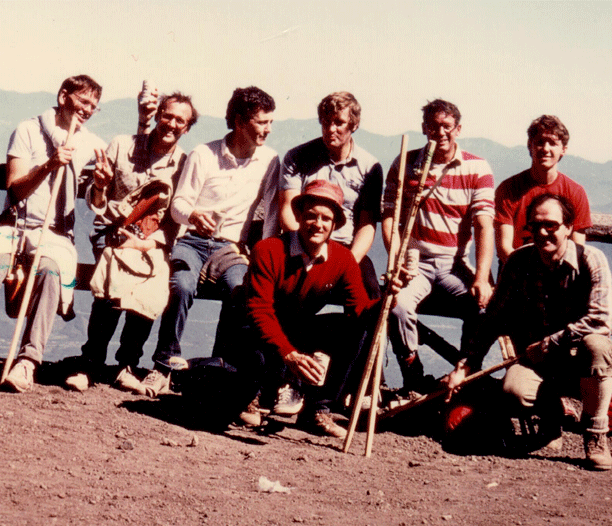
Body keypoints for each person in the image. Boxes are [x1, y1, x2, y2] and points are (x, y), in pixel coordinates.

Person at [0, 75, 106, 392]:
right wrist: (48, 166)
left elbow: (99, 200)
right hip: (15, 225)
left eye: (93, 106)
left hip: (55, 234)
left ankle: (28, 362)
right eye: (83, 101)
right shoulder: (28, 130)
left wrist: (100, 184)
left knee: (51, 272)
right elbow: (15, 189)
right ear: (63, 96)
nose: (87, 110)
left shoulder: (92, 143)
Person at [445, 194, 612, 471]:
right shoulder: (518, 262)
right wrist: (465, 365)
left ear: (568, 227)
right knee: (513, 391)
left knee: (598, 345)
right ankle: (552, 420)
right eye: (535, 225)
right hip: (538, 363)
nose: (542, 232)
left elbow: (600, 320)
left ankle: (596, 435)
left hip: (580, 362)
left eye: (551, 225)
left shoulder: (591, 260)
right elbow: (492, 319)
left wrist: (550, 343)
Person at [225, 180, 394, 438]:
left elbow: (360, 311)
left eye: (326, 219)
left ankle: (317, 409)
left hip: (295, 328)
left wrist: (389, 297)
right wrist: (290, 355)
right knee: (254, 350)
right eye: (311, 216)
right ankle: (250, 397)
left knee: (356, 330)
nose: (318, 224)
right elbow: (259, 310)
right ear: (299, 217)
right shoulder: (269, 250)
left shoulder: (342, 258)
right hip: (253, 329)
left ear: (335, 225)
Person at [144, 86, 280, 397]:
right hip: (192, 241)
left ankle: (220, 372)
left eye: (270, 122)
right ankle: (162, 366)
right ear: (239, 121)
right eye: (261, 122)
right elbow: (179, 205)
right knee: (181, 286)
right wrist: (193, 215)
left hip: (231, 248)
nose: (268, 129)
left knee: (240, 292)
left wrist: (265, 256)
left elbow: (272, 214)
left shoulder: (270, 160)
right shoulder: (204, 154)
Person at [64, 92, 197, 393]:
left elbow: (174, 219)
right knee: (113, 274)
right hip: (112, 231)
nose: (171, 124)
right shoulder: (122, 146)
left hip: (151, 240)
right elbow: (97, 204)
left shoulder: (184, 164)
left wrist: (150, 244)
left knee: (150, 283)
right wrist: (100, 186)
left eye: (180, 120)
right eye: (167, 115)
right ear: (158, 115)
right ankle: (90, 362)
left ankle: (126, 364)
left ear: (187, 128)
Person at [382, 99, 495, 391]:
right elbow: (389, 215)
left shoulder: (477, 167)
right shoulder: (406, 163)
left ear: (458, 129)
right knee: (396, 306)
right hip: (414, 262)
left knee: (482, 307)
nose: (440, 132)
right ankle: (414, 377)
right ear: (424, 128)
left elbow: (484, 225)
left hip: (454, 264)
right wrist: (396, 261)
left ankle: (465, 373)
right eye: (433, 126)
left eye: (446, 126)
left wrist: (482, 278)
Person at [278, 91, 384, 298]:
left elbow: (367, 224)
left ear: (354, 125)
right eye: (326, 123)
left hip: (345, 249)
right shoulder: (297, 157)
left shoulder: (369, 167)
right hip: (302, 243)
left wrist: (347, 263)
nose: (330, 129)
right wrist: (307, 251)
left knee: (371, 295)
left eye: (339, 123)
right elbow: (287, 210)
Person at [495, 115, 592, 264]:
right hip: (517, 271)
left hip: (560, 273)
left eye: (553, 143)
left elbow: (576, 249)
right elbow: (504, 248)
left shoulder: (575, 192)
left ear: (563, 149)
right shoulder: (508, 189)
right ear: (530, 146)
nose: (546, 149)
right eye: (540, 142)